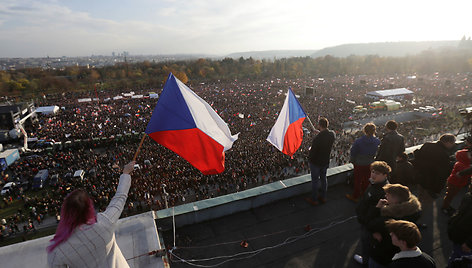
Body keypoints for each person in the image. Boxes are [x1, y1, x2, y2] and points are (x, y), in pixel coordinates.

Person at [47, 161, 135, 268]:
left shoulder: (57, 250)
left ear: (65, 213)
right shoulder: (104, 222)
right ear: (89, 208)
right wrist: (125, 173)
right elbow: (120, 197)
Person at [368, 184, 422, 267]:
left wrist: (378, 208)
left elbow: (370, 224)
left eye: (388, 195)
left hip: (382, 254)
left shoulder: (388, 218)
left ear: (395, 200)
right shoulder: (414, 212)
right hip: (397, 253)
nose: (385, 196)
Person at [354, 161, 391, 266]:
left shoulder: (384, 192)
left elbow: (382, 215)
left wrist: (375, 230)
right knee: (365, 244)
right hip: (365, 220)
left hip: (369, 224)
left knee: (367, 245)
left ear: (385, 175)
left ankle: (366, 263)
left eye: (377, 173)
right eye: (373, 171)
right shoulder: (374, 184)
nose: (373, 175)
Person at [414, 133, 456, 200]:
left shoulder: (427, 145)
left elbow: (417, 157)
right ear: (447, 142)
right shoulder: (443, 154)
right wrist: (437, 190)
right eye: (453, 143)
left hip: (421, 178)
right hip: (431, 184)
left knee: (420, 197)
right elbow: (442, 174)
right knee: (427, 202)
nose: (453, 145)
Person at [346, 123, 380, 202]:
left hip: (359, 163)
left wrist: (353, 161)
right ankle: (365, 194)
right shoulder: (377, 141)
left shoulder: (359, 141)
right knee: (367, 179)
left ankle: (355, 196)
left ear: (364, 131)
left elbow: (353, 152)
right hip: (370, 163)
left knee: (357, 180)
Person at [306, 117, 335, 205]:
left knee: (315, 181)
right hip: (325, 161)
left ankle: (314, 199)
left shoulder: (317, 139)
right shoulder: (332, 134)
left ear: (319, 126)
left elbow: (313, 152)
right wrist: (319, 133)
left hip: (316, 163)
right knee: (323, 179)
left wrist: (309, 157)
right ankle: (323, 197)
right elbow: (326, 136)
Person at [442, 148, 471, 216]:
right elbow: (465, 172)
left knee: (451, 195)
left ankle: (447, 205)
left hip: (458, 183)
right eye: (470, 155)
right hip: (454, 183)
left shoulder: (464, 163)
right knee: (449, 196)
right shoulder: (460, 164)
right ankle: (444, 207)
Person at [447, 192, 472, 267]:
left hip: (466, 241)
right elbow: (460, 211)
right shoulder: (468, 196)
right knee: (456, 256)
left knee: (462, 260)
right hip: (460, 236)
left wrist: (469, 243)